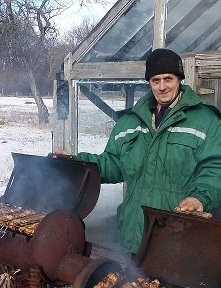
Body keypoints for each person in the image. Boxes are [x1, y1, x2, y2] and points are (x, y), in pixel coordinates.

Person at [53, 48, 221, 254]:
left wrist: (200, 198)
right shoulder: (130, 121)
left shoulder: (206, 121)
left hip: (179, 235)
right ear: (149, 83)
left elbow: (215, 168)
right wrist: (77, 162)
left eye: (168, 79)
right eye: (155, 80)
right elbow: (113, 163)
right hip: (135, 232)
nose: (162, 87)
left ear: (179, 80)